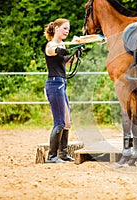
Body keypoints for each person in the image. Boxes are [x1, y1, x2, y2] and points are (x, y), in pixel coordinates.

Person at [43, 18, 75, 163]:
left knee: (67, 122)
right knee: (60, 122)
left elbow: (67, 62)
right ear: (56, 28)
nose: (67, 31)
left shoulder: (62, 45)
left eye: (68, 29)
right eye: (64, 28)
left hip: (62, 84)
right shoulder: (51, 45)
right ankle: (52, 156)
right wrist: (59, 49)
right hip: (54, 84)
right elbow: (51, 51)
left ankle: (63, 153)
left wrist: (76, 54)